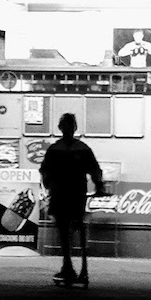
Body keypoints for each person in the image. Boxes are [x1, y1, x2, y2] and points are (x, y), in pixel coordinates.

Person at [38, 112, 106, 282]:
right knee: (77, 225)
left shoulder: (55, 149)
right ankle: (77, 265)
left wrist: (48, 184)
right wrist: (99, 185)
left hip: (60, 193)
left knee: (63, 229)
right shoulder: (82, 148)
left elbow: (45, 170)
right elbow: (95, 169)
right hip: (77, 193)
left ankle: (67, 265)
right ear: (75, 128)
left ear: (60, 128)